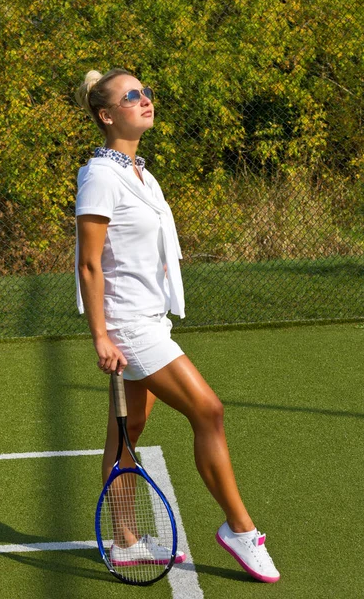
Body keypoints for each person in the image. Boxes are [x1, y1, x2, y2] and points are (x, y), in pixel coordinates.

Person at [75, 68, 280, 583]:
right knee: (209, 410)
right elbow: (89, 263)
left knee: (128, 433)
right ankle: (240, 528)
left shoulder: (141, 173)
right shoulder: (100, 175)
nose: (146, 100)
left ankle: (124, 542)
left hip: (151, 319)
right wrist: (101, 334)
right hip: (128, 326)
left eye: (145, 92)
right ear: (107, 115)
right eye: (132, 96)